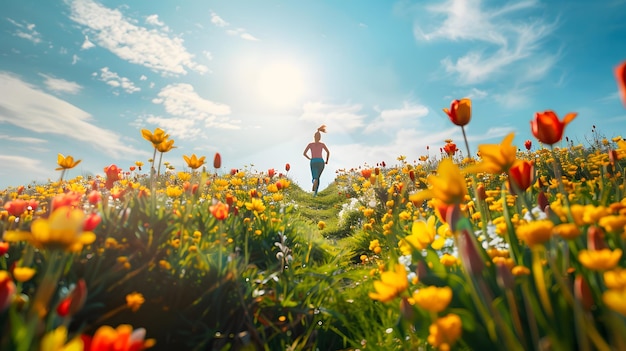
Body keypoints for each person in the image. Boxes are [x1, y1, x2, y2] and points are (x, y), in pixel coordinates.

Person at [303, 125, 330, 195]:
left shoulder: (310, 144)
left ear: (314, 137)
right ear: (320, 138)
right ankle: (315, 193)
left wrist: (309, 158)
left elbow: (304, 153)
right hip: (321, 162)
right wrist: (327, 161)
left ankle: (314, 182)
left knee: (315, 177)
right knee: (318, 177)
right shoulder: (322, 144)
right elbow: (328, 152)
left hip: (313, 161)